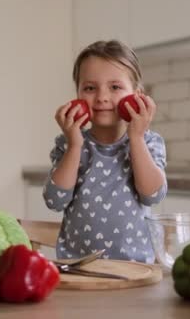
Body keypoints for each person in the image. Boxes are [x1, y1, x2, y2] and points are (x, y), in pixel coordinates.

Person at [42, 40, 167, 263]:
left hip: (135, 267)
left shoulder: (149, 142)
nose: (101, 97)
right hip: (78, 266)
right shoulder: (69, 143)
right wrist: (74, 146)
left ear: (136, 95)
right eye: (90, 88)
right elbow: (55, 200)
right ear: (78, 93)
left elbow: (152, 195)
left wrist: (136, 137)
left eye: (115, 87)